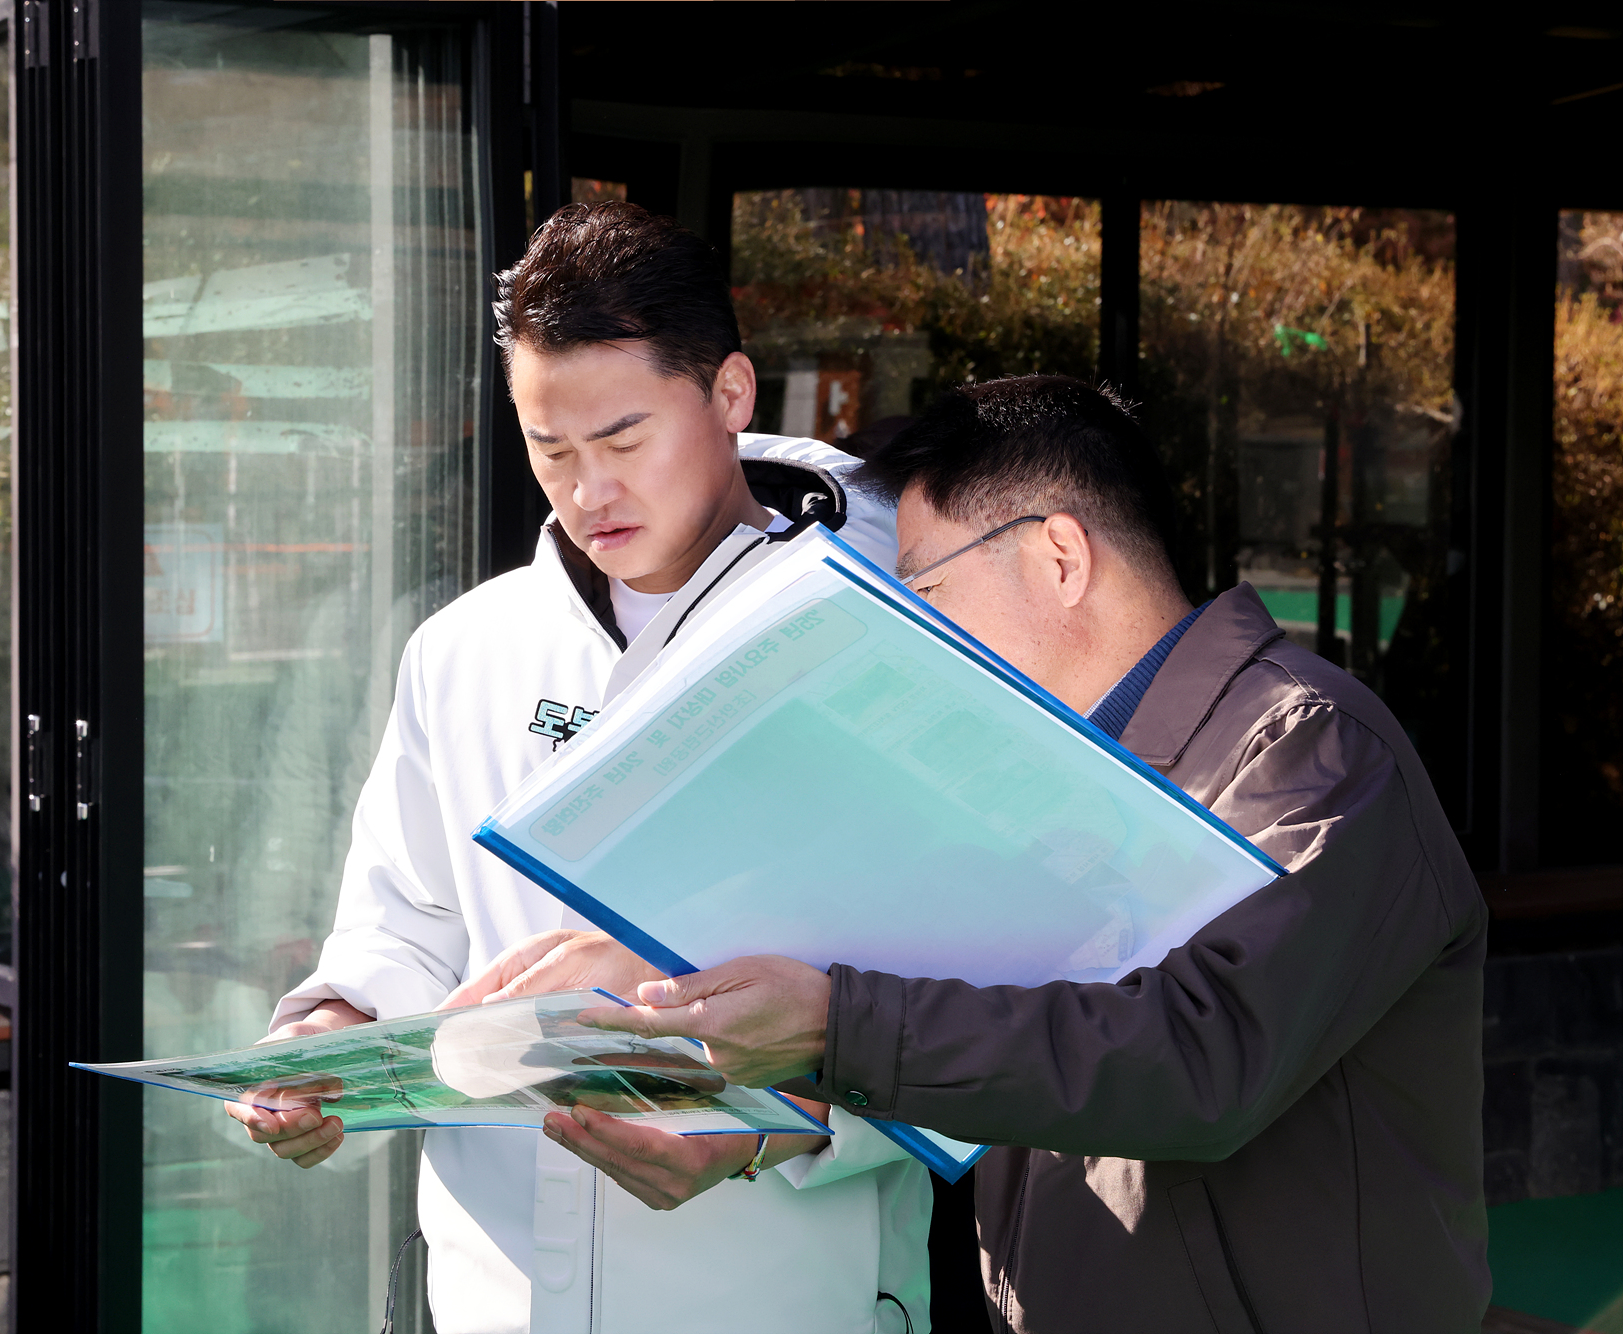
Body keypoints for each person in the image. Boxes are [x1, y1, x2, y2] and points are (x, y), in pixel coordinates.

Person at [527, 376, 1489, 1332]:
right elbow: (983, 1048)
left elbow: (1202, 1054)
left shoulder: (1309, 744)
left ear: (1061, 555)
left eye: (927, 591)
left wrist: (836, 1025)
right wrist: (740, 1091)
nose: (916, 638)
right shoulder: (1039, 782)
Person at [225, 201, 933, 1334]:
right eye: (548, 448)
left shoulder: (884, 641)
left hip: (786, 1290)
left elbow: (968, 985)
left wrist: (760, 1130)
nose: (585, 490)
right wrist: (328, 1037)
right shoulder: (462, 647)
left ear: (731, 395)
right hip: (492, 1292)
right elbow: (405, 921)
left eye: (620, 440)